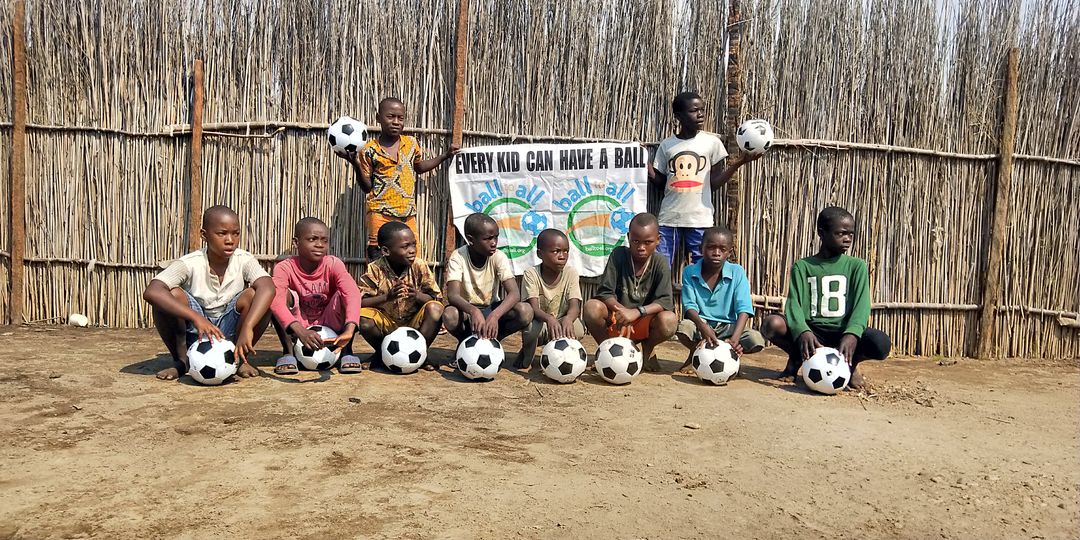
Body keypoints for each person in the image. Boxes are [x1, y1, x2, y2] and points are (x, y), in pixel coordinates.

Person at [761, 206, 891, 390]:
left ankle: (849, 364)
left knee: (881, 344)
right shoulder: (803, 266)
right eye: (841, 233)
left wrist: (852, 333)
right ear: (821, 233)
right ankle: (797, 357)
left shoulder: (857, 266)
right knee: (772, 324)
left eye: (851, 234)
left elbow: (861, 305)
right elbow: (794, 304)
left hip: (842, 332)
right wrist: (802, 331)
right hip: (812, 331)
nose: (847, 238)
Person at [142, 205, 274, 381]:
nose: (230, 240)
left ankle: (240, 358)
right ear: (204, 235)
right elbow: (152, 291)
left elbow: (268, 287)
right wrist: (197, 318)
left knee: (255, 295)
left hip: (232, 329)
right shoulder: (190, 263)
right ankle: (181, 361)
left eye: (236, 233)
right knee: (170, 295)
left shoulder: (244, 260)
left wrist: (248, 326)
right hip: (196, 330)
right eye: (222, 233)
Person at [337, 97, 459, 261]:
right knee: (378, 257)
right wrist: (356, 165)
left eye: (400, 118)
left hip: (407, 214)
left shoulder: (411, 144)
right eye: (390, 116)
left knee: (412, 257)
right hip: (380, 213)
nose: (396, 122)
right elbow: (367, 187)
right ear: (378, 118)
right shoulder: (369, 149)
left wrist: (445, 155)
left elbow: (419, 167)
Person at [648, 91, 758, 266]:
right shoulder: (667, 145)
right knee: (661, 264)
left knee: (703, 266)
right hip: (669, 218)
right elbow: (662, 182)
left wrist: (738, 164)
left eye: (702, 110)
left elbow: (713, 183)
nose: (700, 114)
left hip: (699, 218)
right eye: (694, 111)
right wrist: (647, 167)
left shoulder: (712, 143)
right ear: (678, 116)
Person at [582, 213, 678, 371]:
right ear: (628, 237)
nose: (641, 247)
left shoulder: (660, 263)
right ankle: (606, 350)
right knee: (592, 307)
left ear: (658, 240)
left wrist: (636, 312)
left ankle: (648, 349)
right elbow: (605, 293)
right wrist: (623, 312)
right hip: (617, 319)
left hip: (643, 320)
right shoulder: (619, 255)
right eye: (636, 241)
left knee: (669, 320)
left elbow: (664, 301)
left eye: (648, 242)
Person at [269, 217, 363, 375]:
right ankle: (288, 352)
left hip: (329, 319)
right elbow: (276, 301)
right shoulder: (284, 267)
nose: (319, 245)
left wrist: (349, 329)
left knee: (343, 294)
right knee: (275, 294)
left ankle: (347, 351)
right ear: (296, 242)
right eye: (312, 239)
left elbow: (352, 293)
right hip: (299, 321)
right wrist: (300, 331)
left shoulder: (333, 264)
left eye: (324, 240)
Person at [675, 226, 765, 373]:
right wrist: (702, 326)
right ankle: (696, 353)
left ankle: (728, 357)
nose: (716, 253)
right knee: (684, 328)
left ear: (729, 252)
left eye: (722, 249)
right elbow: (689, 306)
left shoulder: (737, 272)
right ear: (701, 248)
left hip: (728, 327)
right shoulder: (690, 272)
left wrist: (735, 339)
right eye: (711, 247)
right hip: (701, 325)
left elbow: (744, 308)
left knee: (756, 340)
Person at [356, 221, 444, 370]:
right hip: (387, 323)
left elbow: (436, 298)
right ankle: (382, 354)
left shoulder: (419, 265)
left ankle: (421, 354)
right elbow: (360, 302)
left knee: (435, 309)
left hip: (414, 324)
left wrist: (418, 296)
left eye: (414, 244)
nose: (412, 250)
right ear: (386, 251)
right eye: (405, 247)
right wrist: (386, 297)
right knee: (362, 318)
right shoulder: (374, 269)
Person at [442, 213, 534, 345]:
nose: (494, 243)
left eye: (496, 237)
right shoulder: (458, 257)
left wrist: (495, 315)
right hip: (467, 310)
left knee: (525, 311)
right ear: (471, 240)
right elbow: (453, 295)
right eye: (488, 239)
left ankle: (495, 338)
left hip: (491, 308)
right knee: (450, 315)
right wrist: (473, 311)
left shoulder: (498, 257)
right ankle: (465, 341)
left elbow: (514, 293)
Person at [518, 229, 584, 369]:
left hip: (561, 322)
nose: (562, 256)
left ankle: (560, 356)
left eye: (566, 251)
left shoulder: (571, 273)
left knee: (578, 329)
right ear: (540, 254)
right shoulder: (531, 274)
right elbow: (533, 308)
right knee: (530, 329)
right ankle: (527, 355)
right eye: (556, 251)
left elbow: (575, 305)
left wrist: (568, 319)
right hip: (540, 322)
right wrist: (549, 319)